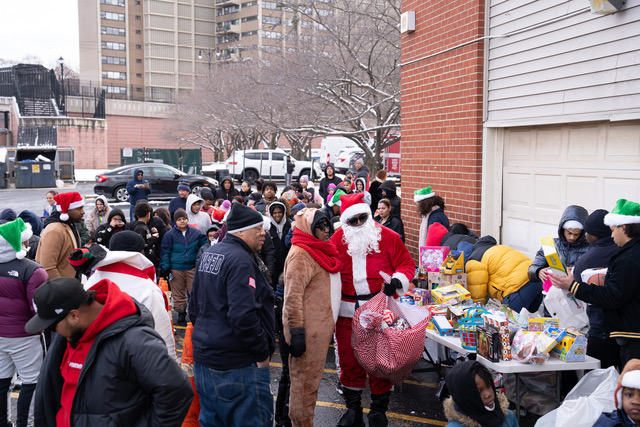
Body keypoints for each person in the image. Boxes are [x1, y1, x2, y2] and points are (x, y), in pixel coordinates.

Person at [26, 277, 193, 426]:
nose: (52, 333)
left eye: (52, 326)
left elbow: (176, 391)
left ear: (74, 316)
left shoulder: (134, 341)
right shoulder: (69, 336)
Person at [331, 193, 415, 426]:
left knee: (380, 363)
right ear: (345, 221)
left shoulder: (388, 237)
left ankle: (379, 410)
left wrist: (398, 280)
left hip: (379, 310)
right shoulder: (336, 241)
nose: (358, 224)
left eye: (362, 218)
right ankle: (353, 410)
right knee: (349, 361)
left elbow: (406, 263)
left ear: (369, 214)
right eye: (353, 220)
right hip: (346, 312)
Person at [189, 202, 276, 426]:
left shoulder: (211, 253)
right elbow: (243, 317)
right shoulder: (240, 260)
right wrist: (261, 352)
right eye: (258, 229)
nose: (263, 233)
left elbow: (194, 308)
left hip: (206, 361)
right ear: (242, 231)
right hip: (237, 365)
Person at [551, 199, 640, 368]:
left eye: (613, 230)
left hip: (633, 337)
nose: (611, 235)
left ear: (623, 227)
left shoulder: (629, 258)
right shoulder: (630, 253)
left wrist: (573, 286)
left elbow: (613, 295)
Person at [283, 208, 341, 427]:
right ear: (309, 228)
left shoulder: (320, 249)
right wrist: (297, 332)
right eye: (321, 226)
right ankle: (301, 423)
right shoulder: (301, 253)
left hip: (319, 333)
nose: (327, 231)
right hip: (306, 333)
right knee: (303, 386)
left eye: (328, 225)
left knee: (311, 384)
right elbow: (292, 297)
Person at [0, 218, 48, 427]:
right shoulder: (33, 270)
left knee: (2, 383)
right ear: (19, 243)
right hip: (25, 336)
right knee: (31, 383)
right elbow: (39, 309)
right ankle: (24, 424)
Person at [565, 209, 620, 369]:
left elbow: (579, 293)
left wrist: (571, 279)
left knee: (597, 379)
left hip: (600, 328)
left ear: (594, 234)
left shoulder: (587, 260)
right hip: (627, 329)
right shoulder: (625, 252)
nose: (585, 235)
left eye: (587, 231)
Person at [160, 208, 208, 324]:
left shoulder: (195, 233)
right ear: (175, 221)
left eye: (184, 219)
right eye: (179, 219)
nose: (182, 221)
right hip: (176, 269)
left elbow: (205, 244)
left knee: (195, 291)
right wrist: (166, 267)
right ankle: (181, 313)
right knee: (178, 293)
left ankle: (195, 313)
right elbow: (165, 252)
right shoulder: (169, 235)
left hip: (192, 267)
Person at [466, 239, 540, 312]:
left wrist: (477, 311)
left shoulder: (475, 260)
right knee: (530, 317)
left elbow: (477, 294)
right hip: (536, 277)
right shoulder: (500, 248)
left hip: (517, 287)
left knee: (508, 320)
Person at [443, 361, 518, 427]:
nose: (488, 394)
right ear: (465, 397)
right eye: (479, 391)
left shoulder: (508, 417)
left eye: (488, 385)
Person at [529, 204, 591, 283]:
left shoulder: (590, 248)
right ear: (563, 230)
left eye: (576, 234)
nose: (572, 237)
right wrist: (538, 271)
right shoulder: (550, 245)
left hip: (578, 291)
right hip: (553, 291)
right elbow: (532, 268)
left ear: (582, 232)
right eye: (569, 233)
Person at [36, 192, 84, 279]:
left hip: (70, 283)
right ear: (66, 211)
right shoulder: (55, 230)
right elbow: (48, 268)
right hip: (61, 288)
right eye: (79, 208)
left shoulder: (70, 225)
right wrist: (62, 289)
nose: (83, 212)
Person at [268, 201, 291, 287]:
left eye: (280, 212)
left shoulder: (289, 225)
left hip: (287, 263)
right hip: (273, 265)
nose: (277, 215)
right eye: (274, 213)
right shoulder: (268, 227)